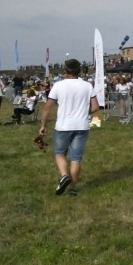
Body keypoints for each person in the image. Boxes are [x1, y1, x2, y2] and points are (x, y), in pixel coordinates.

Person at [40, 59, 99, 196]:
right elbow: (95, 107)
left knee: (60, 153)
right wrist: (84, 112)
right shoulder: (87, 86)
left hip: (63, 126)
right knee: (76, 158)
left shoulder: (58, 86)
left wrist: (43, 125)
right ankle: (72, 188)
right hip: (82, 125)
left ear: (65, 71)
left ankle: (64, 175)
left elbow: (47, 109)